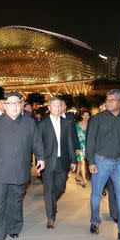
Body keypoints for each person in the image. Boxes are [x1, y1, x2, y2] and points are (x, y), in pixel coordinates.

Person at [0, 92, 45, 240]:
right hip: (0, 171)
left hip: (21, 170)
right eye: (10, 103)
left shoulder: (30, 123)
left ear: (21, 104)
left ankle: (14, 227)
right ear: (4, 106)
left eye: (17, 103)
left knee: (15, 202)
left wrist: (40, 157)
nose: (14, 106)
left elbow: (37, 141)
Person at [85, 89, 120, 240]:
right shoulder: (97, 119)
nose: (108, 102)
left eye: (112, 100)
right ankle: (95, 221)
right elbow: (91, 142)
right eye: (107, 100)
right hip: (101, 161)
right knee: (96, 195)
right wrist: (91, 162)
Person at [38, 97, 76, 229]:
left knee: (61, 187)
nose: (57, 108)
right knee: (48, 190)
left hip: (63, 161)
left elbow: (70, 143)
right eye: (54, 106)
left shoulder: (67, 123)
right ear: (49, 108)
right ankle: (51, 217)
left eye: (59, 106)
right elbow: (38, 144)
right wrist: (39, 160)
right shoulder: (42, 123)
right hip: (48, 162)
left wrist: (74, 160)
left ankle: (52, 203)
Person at [74, 109, 90, 187]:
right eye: (84, 115)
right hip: (79, 147)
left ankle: (77, 176)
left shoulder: (90, 126)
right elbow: (74, 136)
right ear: (82, 116)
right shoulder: (77, 124)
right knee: (82, 162)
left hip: (86, 147)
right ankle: (84, 180)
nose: (86, 117)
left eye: (88, 115)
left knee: (80, 163)